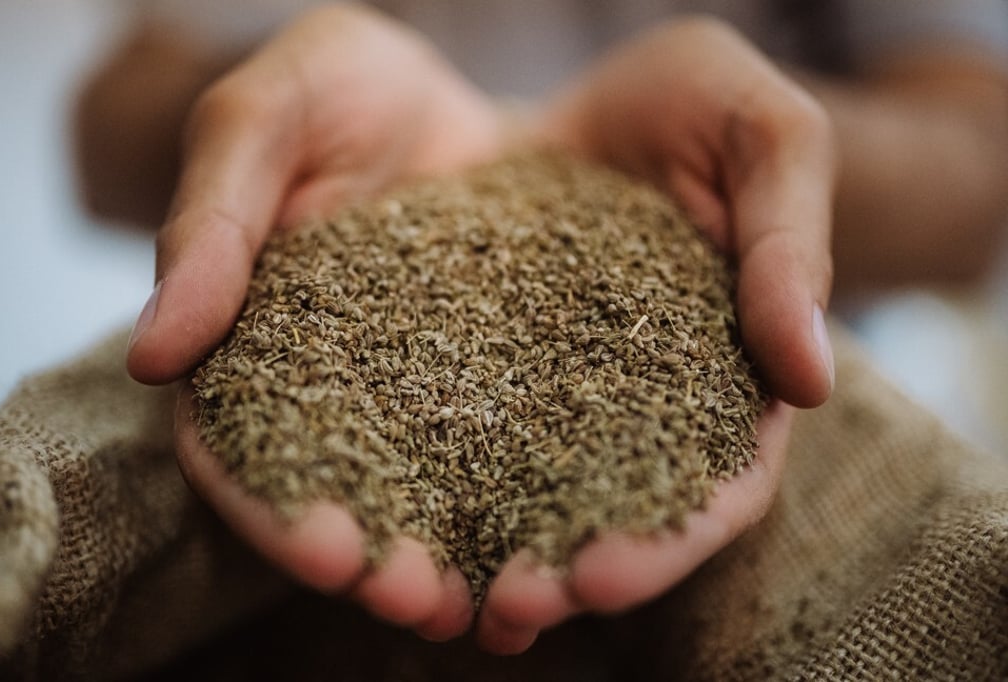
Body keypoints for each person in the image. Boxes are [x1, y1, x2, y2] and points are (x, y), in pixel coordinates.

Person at [73, 0, 1008, 655]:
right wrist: (264, 104)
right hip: (334, 233)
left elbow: (983, 169)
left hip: (811, 409)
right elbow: (104, 128)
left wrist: (774, 149)